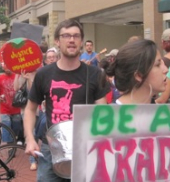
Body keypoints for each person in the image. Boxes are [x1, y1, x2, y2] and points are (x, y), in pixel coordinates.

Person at [24, 19, 109, 182]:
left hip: (84, 147)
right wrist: (30, 138)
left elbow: (102, 112)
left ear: (82, 41)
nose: (72, 40)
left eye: (76, 36)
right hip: (52, 149)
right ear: (57, 40)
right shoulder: (44, 74)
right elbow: (30, 109)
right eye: (66, 36)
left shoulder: (94, 74)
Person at [105, 39, 168, 104]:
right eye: (158, 65)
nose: (166, 69)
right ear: (139, 75)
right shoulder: (114, 113)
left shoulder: (161, 112)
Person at [0, 67, 22, 144]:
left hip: (16, 108)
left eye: (9, 66)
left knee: (16, 126)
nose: (7, 68)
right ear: (3, 67)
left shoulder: (17, 77)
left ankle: (14, 139)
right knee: (6, 126)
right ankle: (10, 146)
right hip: (4, 109)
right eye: (5, 66)